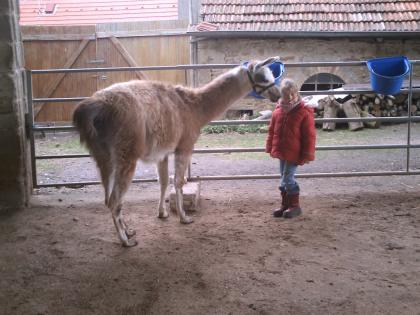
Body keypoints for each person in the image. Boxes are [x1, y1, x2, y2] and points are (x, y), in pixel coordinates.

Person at [265, 78, 316, 218]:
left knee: (287, 178)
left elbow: (309, 136)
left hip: (295, 152)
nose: (289, 98)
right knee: (283, 178)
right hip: (282, 151)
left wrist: (307, 154)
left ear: (296, 93)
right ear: (281, 95)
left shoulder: (303, 112)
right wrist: (270, 146)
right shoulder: (278, 111)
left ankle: (295, 206)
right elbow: (272, 130)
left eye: (292, 94)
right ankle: (286, 205)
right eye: (286, 95)